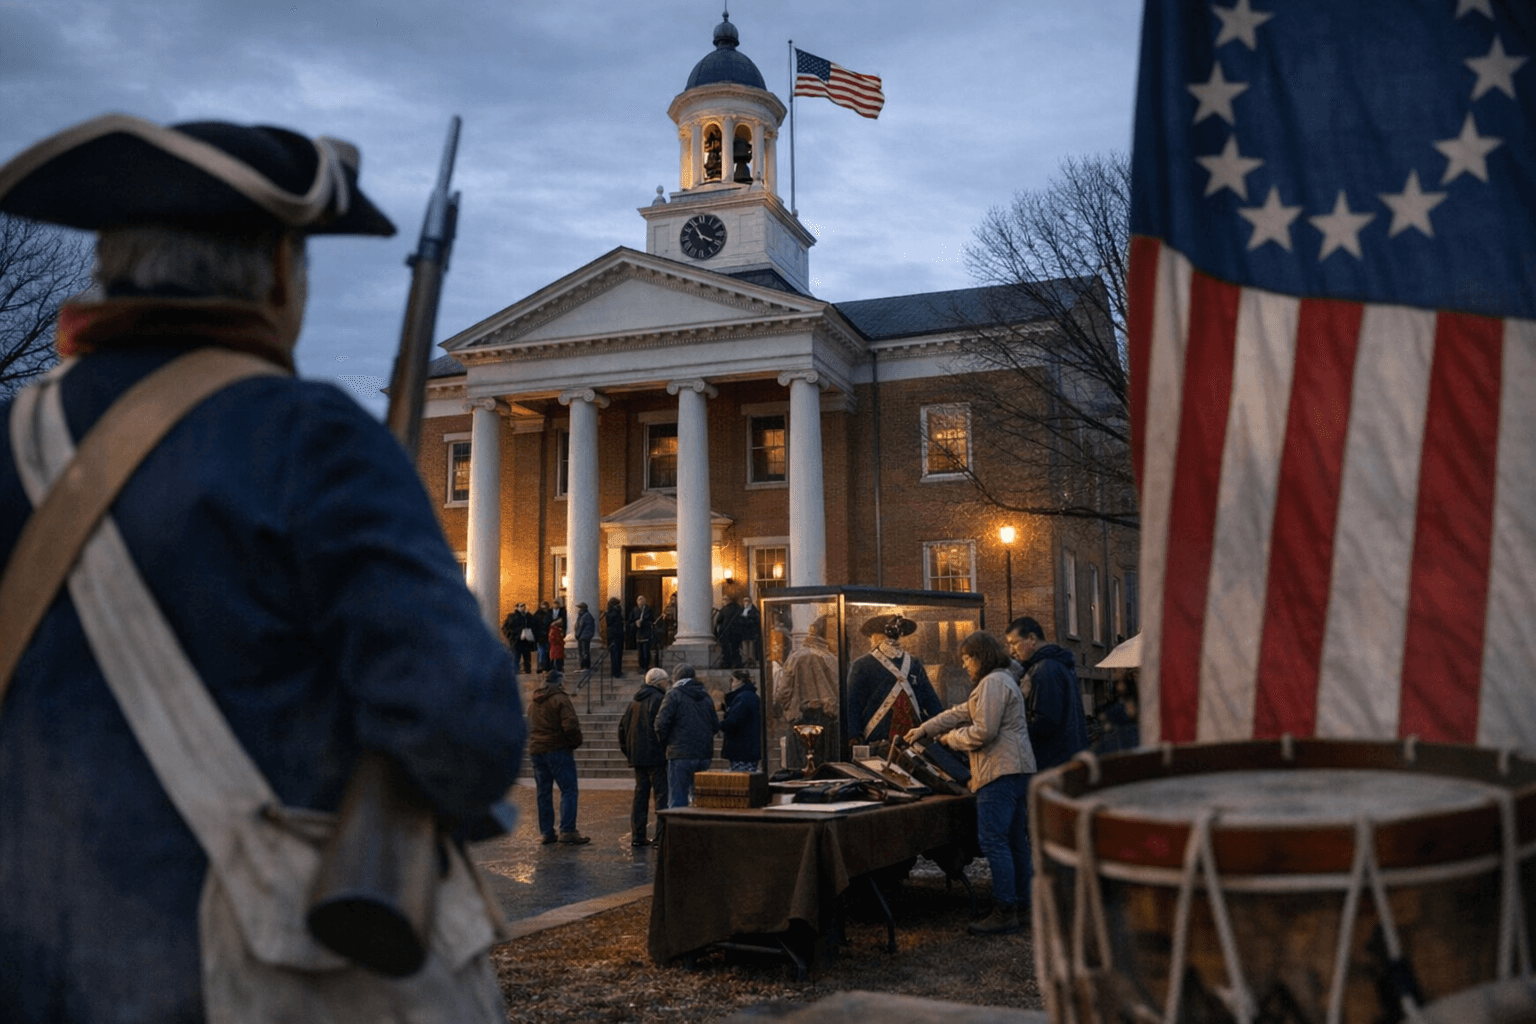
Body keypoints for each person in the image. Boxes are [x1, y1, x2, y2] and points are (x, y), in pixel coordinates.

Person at [0, 114, 525, 1020]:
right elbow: (464, 729)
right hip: (241, 978)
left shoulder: (11, 440)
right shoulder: (310, 437)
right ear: (282, 273)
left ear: (113, 266)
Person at [905, 631, 1035, 936]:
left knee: (994, 841)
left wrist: (949, 739)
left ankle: (1004, 910)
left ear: (980, 657)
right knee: (1015, 840)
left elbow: (983, 732)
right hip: (1017, 771)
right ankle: (1024, 905)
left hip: (998, 772)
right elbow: (960, 712)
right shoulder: (1001, 681)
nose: (964, 665)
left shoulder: (993, 683)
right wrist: (924, 729)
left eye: (966, 658)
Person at [847, 613, 943, 754]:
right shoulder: (861, 665)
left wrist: (941, 727)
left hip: (912, 738)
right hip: (879, 740)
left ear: (878, 637)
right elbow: (852, 705)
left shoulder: (914, 663)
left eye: (873, 637)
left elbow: (930, 700)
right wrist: (854, 736)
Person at [1005, 616, 1089, 770]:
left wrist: (1013, 735)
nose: (1011, 651)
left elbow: (1045, 721)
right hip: (1067, 757)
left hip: (1053, 761)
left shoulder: (1045, 670)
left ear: (1031, 639)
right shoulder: (1058, 665)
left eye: (1014, 643)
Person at [526, 670, 589, 845]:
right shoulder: (560, 699)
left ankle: (547, 832)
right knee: (568, 790)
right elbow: (571, 725)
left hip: (537, 750)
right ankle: (567, 830)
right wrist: (574, 742)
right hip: (557, 749)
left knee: (543, 792)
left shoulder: (534, 702)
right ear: (559, 683)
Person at [652, 662, 719, 808]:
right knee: (700, 799)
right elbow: (715, 725)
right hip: (703, 753)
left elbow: (661, 723)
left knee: (677, 798)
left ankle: (679, 823)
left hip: (680, 752)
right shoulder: (706, 696)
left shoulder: (674, 694)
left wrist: (666, 743)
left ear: (675, 678)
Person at [618, 667, 670, 846]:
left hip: (638, 757)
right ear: (660, 683)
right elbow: (662, 727)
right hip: (656, 756)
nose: (667, 685)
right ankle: (660, 837)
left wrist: (629, 751)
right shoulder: (659, 699)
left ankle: (638, 836)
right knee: (661, 796)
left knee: (640, 795)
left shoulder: (634, 701)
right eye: (666, 681)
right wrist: (664, 748)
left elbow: (622, 728)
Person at [721, 669, 762, 771]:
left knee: (741, 775)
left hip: (742, 748)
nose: (732, 684)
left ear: (739, 681)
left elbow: (734, 721)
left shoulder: (743, 698)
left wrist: (721, 725)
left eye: (733, 680)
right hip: (749, 747)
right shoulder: (751, 696)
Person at [505, 601, 536, 674]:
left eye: (524, 606)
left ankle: (527, 669)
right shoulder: (512, 616)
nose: (523, 608)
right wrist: (511, 635)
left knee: (527, 656)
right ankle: (516, 670)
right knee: (516, 656)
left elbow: (534, 625)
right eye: (521, 606)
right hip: (516, 639)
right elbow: (506, 627)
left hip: (526, 639)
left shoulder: (528, 616)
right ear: (517, 607)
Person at [715, 594, 744, 668]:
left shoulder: (724, 609)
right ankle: (737, 663)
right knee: (735, 648)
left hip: (725, 632)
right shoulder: (739, 608)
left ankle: (727, 663)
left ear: (729, 600)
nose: (723, 601)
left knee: (726, 649)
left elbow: (719, 620)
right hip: (737, 632)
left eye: (724, 599)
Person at [631, 594, 657, 672]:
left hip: (646, 633)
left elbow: (652, 621)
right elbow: (630, 621)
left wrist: (643, 623)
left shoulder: (648, 610)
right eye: (639, 600)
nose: (640, 601)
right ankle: (641, 666)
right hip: (638, 634)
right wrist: (635, 623)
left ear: (645, 601)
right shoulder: (634, 610)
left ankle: (646, 666)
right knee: (640, 652)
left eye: (642, 600)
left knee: (646, 652)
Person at [604, 596, 626, 678]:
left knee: (617, 655)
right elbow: (610, 622)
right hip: (615, 636)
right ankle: (616, 671)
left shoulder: (613, 612)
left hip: (616, 635)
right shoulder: (612, 612)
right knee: (615, 655)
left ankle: (617, 671)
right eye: (617, 604)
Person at [739, 595, 762, 667]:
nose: (746, 602)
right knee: (745, 648)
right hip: (744, 632)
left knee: (751, 648)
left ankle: (752, 661)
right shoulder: (742, 610)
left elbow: (756, 620)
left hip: (752, 632)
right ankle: (746, 661)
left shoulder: (754, 610)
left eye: (747, 601)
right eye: (744, 601)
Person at [574, 600, 596, 670]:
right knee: (583, 651)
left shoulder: (585, 616)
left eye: (580, 608)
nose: (578, 609)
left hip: (584, 637)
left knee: (584, 651)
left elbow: (580, 626)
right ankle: (583, 665)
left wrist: (577, 634)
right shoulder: (583, 616)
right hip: (583, 636)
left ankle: (585, 665)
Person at [533, 600, 553, 673]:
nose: (545, 609)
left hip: (545, 636)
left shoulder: (545, 614)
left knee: (544, 652)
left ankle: (544, 666)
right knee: (542, 652)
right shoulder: (541, 615)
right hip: (541, 636)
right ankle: (542, 666)